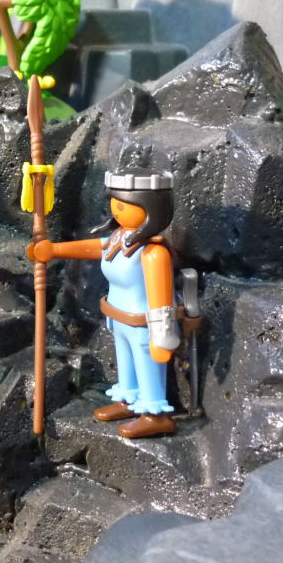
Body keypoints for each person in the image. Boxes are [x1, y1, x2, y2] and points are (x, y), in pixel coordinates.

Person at [28, 170, 182, 438]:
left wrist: (162, 336)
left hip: (143, 323)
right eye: (115, 202)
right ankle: (128, 399)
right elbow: (93, 247)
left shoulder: (153, 253)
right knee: (125, 360)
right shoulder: (118, 239)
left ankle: (155, 414)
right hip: (118, 317)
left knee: (146, 362)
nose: (117, 208)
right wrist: (54, 250)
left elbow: (161, 298)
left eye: (126, 204)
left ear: (152, 209)